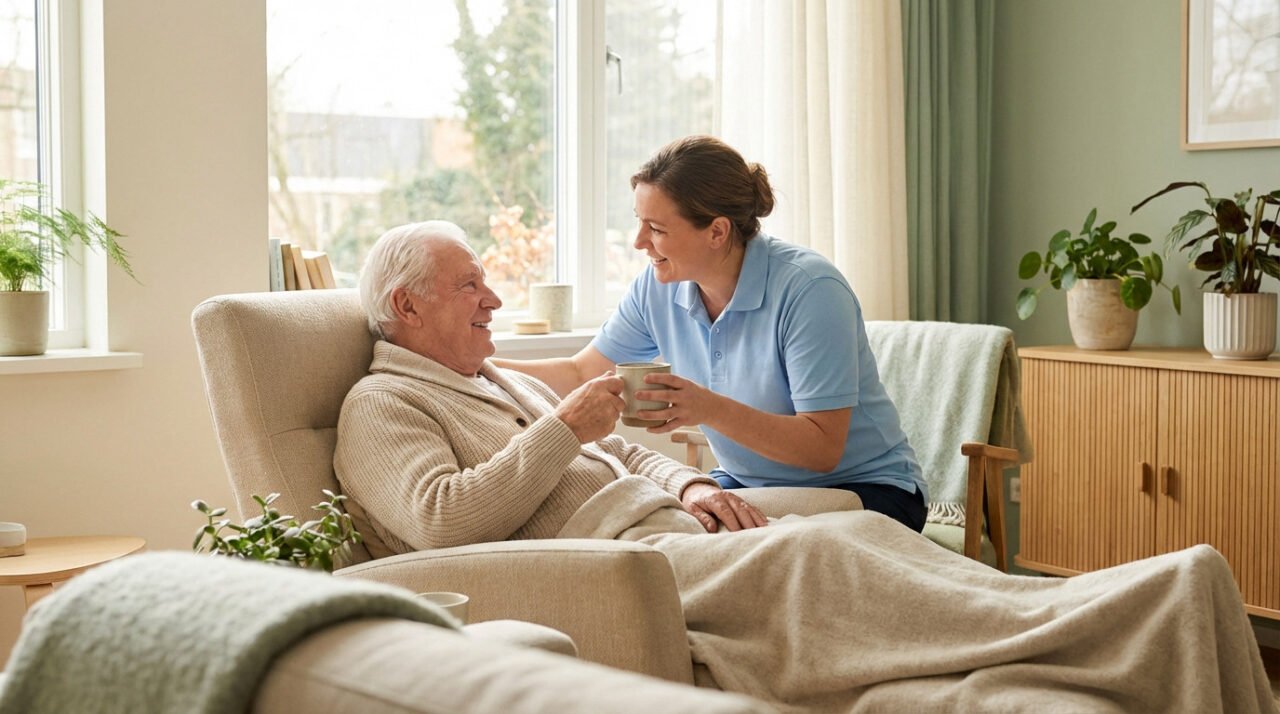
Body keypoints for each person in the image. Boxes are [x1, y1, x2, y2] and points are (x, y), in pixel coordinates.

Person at [333, 221, 1275, 713]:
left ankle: (1106, 615)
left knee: (856, 529)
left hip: (676, 528)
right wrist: (566, 430)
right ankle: (1135, 610)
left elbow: (619, 448)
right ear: (407, 309)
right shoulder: (384, 404)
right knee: (818, 556)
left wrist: (693, 485)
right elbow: (446, 523)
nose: (494, 296)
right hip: (617, 566)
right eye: (471, 285)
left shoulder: (488, 376)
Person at [493, 135, 928, 532]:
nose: (639, 242)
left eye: (657, 229)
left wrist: (705, 407)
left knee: (711, 537)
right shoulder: (657, 287)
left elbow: (822, 448)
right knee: (649, 525)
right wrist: (475, 365)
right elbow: (578, 371)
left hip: (868, 491)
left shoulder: (810, 290)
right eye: (640, 222)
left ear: (717, 231)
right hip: (748, 485)